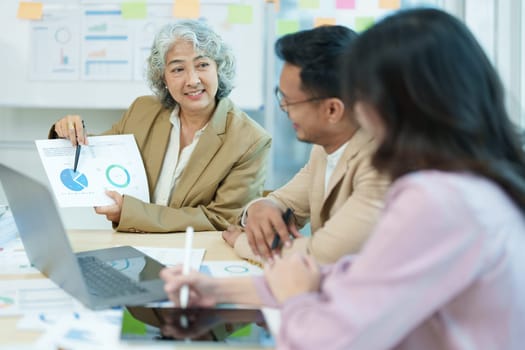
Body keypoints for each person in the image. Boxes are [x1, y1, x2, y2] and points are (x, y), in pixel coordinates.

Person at [161, 8, 525, 349]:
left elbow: (323, 337)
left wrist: (295, 296)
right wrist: (216, 290)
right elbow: (348, 278)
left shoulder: (437, 199)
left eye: (362, 92)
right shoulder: (472, 184)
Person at [49, 20, 271, 233]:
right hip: (135, 249)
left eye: (202, 65)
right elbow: (94, 157)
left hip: (200, 257)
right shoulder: (143, 110)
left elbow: (222, 219)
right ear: (162, 77)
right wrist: (68, 133)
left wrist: (131, 213)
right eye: (177, 69)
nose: (192, 80)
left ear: (218, 69)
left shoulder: (250, 140)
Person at [223, 25, 389, 264]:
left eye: (289, 101)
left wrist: (242, 243)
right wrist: (259, 207)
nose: (284, 109)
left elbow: (321, 256)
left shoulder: (382, 165)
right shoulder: (326, 146)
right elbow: (285, 202)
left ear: (332, 109)